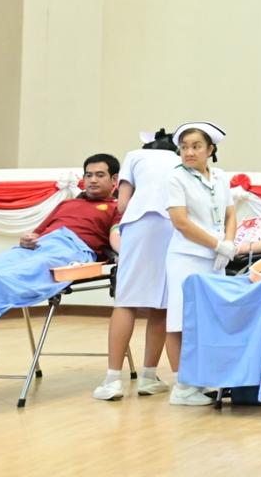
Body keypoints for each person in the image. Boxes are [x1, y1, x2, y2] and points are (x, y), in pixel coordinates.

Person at [0, 154, 122, 372]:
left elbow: (116, 237)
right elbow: (37, 232)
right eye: (88, 175)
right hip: (39, 246)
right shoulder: (67, 203)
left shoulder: (116, 208)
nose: (92, 180)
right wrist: (27, 239)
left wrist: (126, 254)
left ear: (114, 179)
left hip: (72, 251)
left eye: (99, 175)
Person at [94, 130, 184, 401]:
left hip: (139, 225)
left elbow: (122, 204)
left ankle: (112, 380)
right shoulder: (179, 160)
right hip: (172, 226)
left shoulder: (134, 156)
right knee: (162, 303)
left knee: (126, 301)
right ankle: (148, 377)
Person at [163, 121, 238, 407]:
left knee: (209, 319)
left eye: (196, 146)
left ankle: (200, 378)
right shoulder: (175, 178)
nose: (189, 152)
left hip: (216, 259)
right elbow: (181, 222)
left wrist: (228, 243)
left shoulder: (220, 177)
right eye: (184, 147)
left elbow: (230, 214)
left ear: (210, 149)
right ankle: (181, 384)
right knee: (181, 320)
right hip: (187, 257)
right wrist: (217, 244)